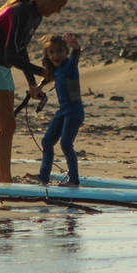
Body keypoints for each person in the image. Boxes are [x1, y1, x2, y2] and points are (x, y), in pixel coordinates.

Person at [0, 0, 71, 183]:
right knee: (7, 126)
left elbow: (21, 51)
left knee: (3, 126)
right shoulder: (19, 12)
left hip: (1, 68)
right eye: (58, 5)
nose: (57, 11)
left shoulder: (35, 17)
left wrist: (32, 83)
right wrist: (41, 72)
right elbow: (11, 54)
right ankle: (5, 180)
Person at [37, 33, 84, 186]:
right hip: (63, 111)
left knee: (65, 144)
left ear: (66, 52)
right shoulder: (55, 70)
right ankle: (43, 176)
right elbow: (48, 78)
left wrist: (76, 47)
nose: (55, 55)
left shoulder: (69, 66)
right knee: (47, 141)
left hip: (74, 111)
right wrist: (38, 88)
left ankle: (74, 180)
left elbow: (76, 57)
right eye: (52, 52)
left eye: (59, 51)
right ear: (47, 54)